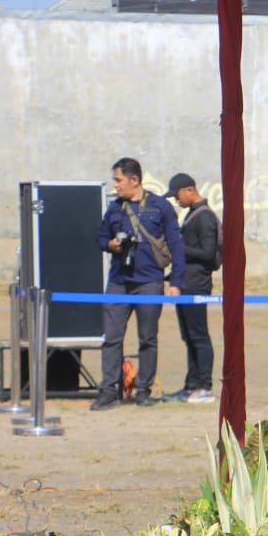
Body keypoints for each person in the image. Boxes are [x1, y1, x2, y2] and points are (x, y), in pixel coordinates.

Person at [91, 157, 185, 410]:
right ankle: (109, 390)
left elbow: (176, 245)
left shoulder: (160, 207)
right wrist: (110, 245)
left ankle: (143, 389)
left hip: (149, 282)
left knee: (148, 338)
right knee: (111, 338)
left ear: (134, 180)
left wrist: (176, 281)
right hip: (119, 282)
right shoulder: (114, 208)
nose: (115, 185)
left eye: (119, 180)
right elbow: (100, 239)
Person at [164, 172, 219, 404]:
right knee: (188, 337)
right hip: (186, 284)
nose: (176, 201)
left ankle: (204, 386)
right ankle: (191, 385)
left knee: (199, 336)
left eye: (177, 196)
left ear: (189, 190)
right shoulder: (192, 214)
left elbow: (208, 254)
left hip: (197, 285)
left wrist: (178, 248)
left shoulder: (204, 217)